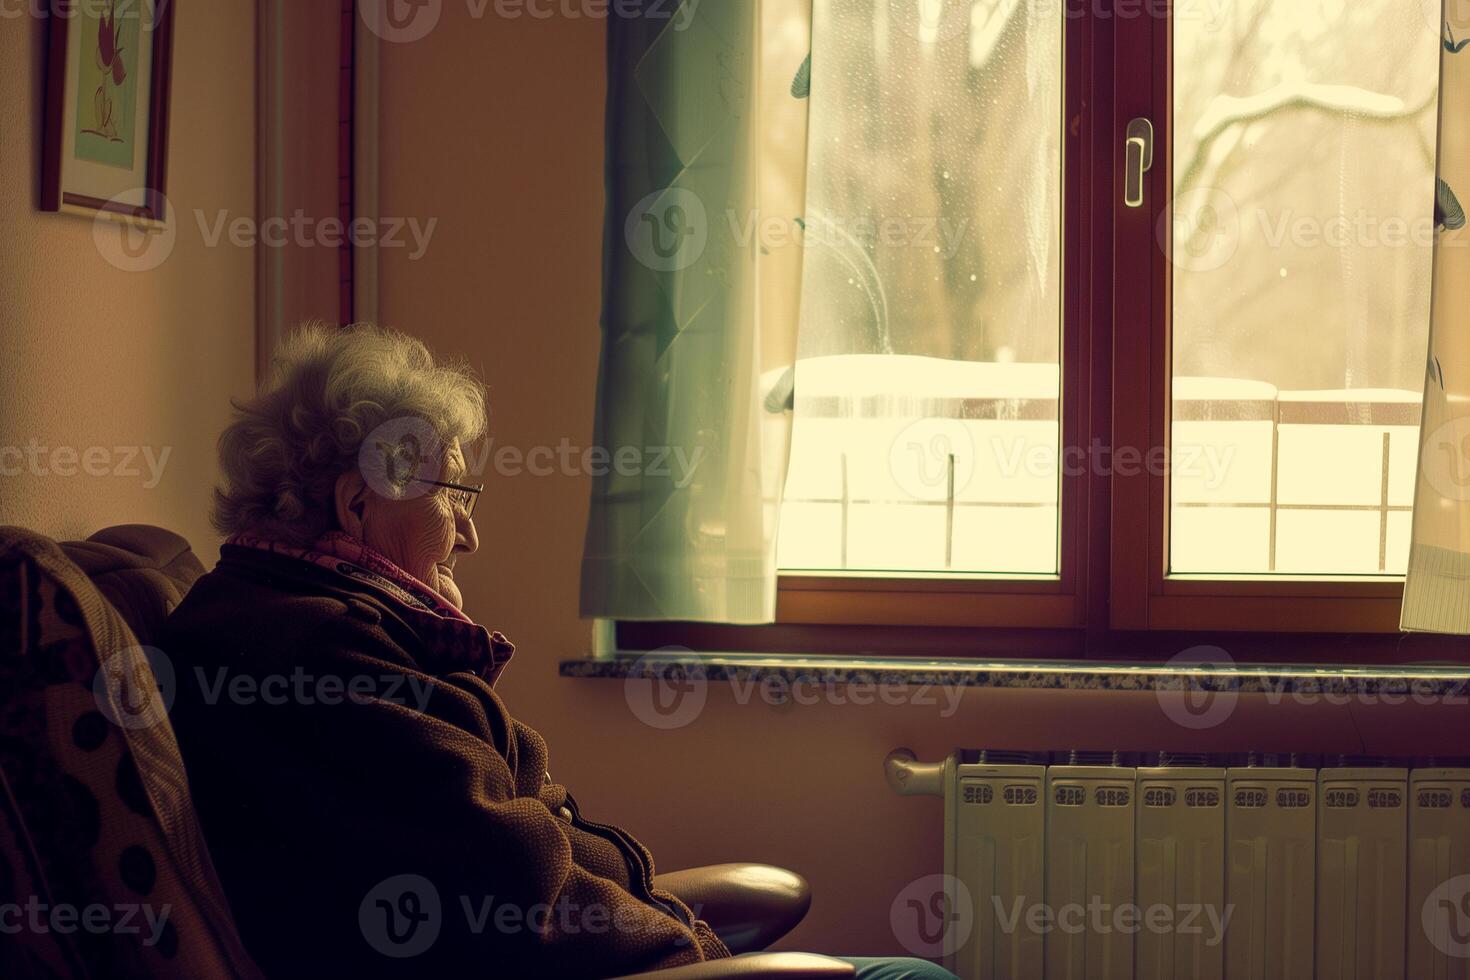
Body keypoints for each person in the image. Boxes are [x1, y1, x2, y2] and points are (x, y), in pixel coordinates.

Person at [162, 323, 958, 980]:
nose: (469, 535)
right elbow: (512, 888)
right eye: (454, 497)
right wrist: (693, 951)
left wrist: (658, 911)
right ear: (358, 501)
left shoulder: (295, 617)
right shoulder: (323, 652)